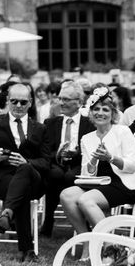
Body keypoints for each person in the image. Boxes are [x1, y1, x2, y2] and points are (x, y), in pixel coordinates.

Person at [60, 87, 135, 262]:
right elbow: (86, 173)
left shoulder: (122, 131)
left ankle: (110, 247)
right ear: (90, 113)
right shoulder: (87, 138)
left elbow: (132, 166)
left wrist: (111, 158)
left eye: (105, 110)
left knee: (85, 200)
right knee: (66, 195)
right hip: (97, 183)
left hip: (122, 184)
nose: (100, 113)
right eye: (96, 109)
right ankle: (88, 244)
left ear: (113, 113)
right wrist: (92, 162)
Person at [0, 82, 46, 262]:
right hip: (0, 179)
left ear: (30, 102)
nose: (19, 106)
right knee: (20, 192)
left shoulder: (39, 128)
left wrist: (27, 161)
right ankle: (26, 249)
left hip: (32, 178)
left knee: (24, 170)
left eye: (23, 102)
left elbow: (46, 162)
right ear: (7, 101)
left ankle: (8, 213)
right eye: (14, 101)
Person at [40, 81, 95, 237]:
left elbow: (91, 152)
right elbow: (45, 151)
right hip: (56, 164)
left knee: (69, 176)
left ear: (79, 102)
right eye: (60, 98)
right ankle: (52, 219)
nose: (61, 103)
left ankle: (56, 221)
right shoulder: (50, 123)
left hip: (79, 165)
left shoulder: (89, 124)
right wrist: (58, 154)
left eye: (66, 99)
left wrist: (76, 155)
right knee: (55, 174)